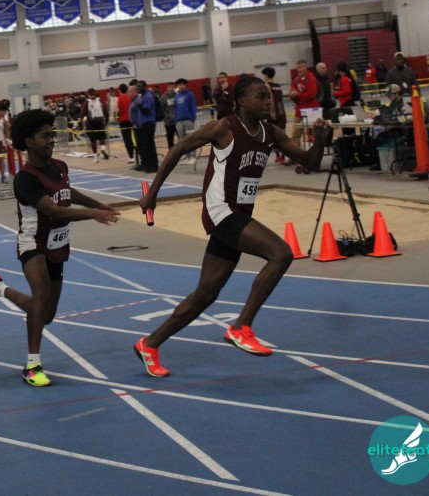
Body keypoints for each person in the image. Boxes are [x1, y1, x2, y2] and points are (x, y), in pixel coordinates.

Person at [135, 76, 331, 377]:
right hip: (221, 212)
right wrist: (153, 193)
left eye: (268, 96)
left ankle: (149, 344)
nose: (267, 101)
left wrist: (320, 138)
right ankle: (241, 327)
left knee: (206, 294)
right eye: (260, 96)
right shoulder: (223, 128)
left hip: (238, 213)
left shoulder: (270, 133)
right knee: (281, 254)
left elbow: (310, 162)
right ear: (241, 101)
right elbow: (178, 149)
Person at [0, 109, 119, 386]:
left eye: (52, 134)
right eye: (45, 136)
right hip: (33, 243)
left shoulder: (60, 166)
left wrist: (97, 204)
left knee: (46, 314)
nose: (51, 140)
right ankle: (32, 366)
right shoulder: (25, 178)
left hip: (58, 245)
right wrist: (92, 214)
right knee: (41, 295)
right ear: (29, 141)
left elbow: (67, 192)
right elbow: (52, 210)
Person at [261, 67, 287, 164]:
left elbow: (271, 100)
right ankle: (283, 156)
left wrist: (272, 113)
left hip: (273, 113)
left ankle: (278, 155)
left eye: (264, 75)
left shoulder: (267, 86)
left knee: (273, 136)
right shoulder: (278, 86)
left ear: (266, 76)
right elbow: (280, 100)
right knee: (283, 136)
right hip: (282, 112)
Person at [132, 81, 158, 173]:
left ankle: (153, 165)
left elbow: (146, 110)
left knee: (149, 144)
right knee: (145, 145)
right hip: (143, 123)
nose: (137, 88)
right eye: (137, 87)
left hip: (149, 123)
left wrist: (139, 105)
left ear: (145, 87)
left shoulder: (148, 96)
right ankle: (147, 164)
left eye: (140, 87)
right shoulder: (141, 96)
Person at [80, 88, 110, 160]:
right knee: (102, 137)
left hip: (91, 124)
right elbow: (106, 111)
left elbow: (82, 113)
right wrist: (106, 121)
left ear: (88, 94)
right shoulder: (100, 100)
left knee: (93, 140)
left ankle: (95, 157)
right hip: (100, 122)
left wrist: (81, 119)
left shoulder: (86, 102)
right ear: (95, 93)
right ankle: (103, 149)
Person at [116, 83, 136, 163]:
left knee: (127, 139)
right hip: (132, 119)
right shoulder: (130, 97)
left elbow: (116, 110)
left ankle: (131, 157)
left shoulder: (118, 99)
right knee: (136, 137)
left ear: (119, 90)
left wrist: (116, 117)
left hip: (123, 121)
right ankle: (139, 155)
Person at [161, 82, 178, 151]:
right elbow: (162, 110)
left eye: (173, 87)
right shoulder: (163, 98)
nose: (171, 89)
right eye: (170, 87)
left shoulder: (178, 96)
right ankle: (171, 153)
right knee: (170, 139)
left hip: (178, 121)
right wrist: (169, 116)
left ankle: (182, 152)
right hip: (168, 123)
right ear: (167, 88)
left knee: (181, 138)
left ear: (175, 88)